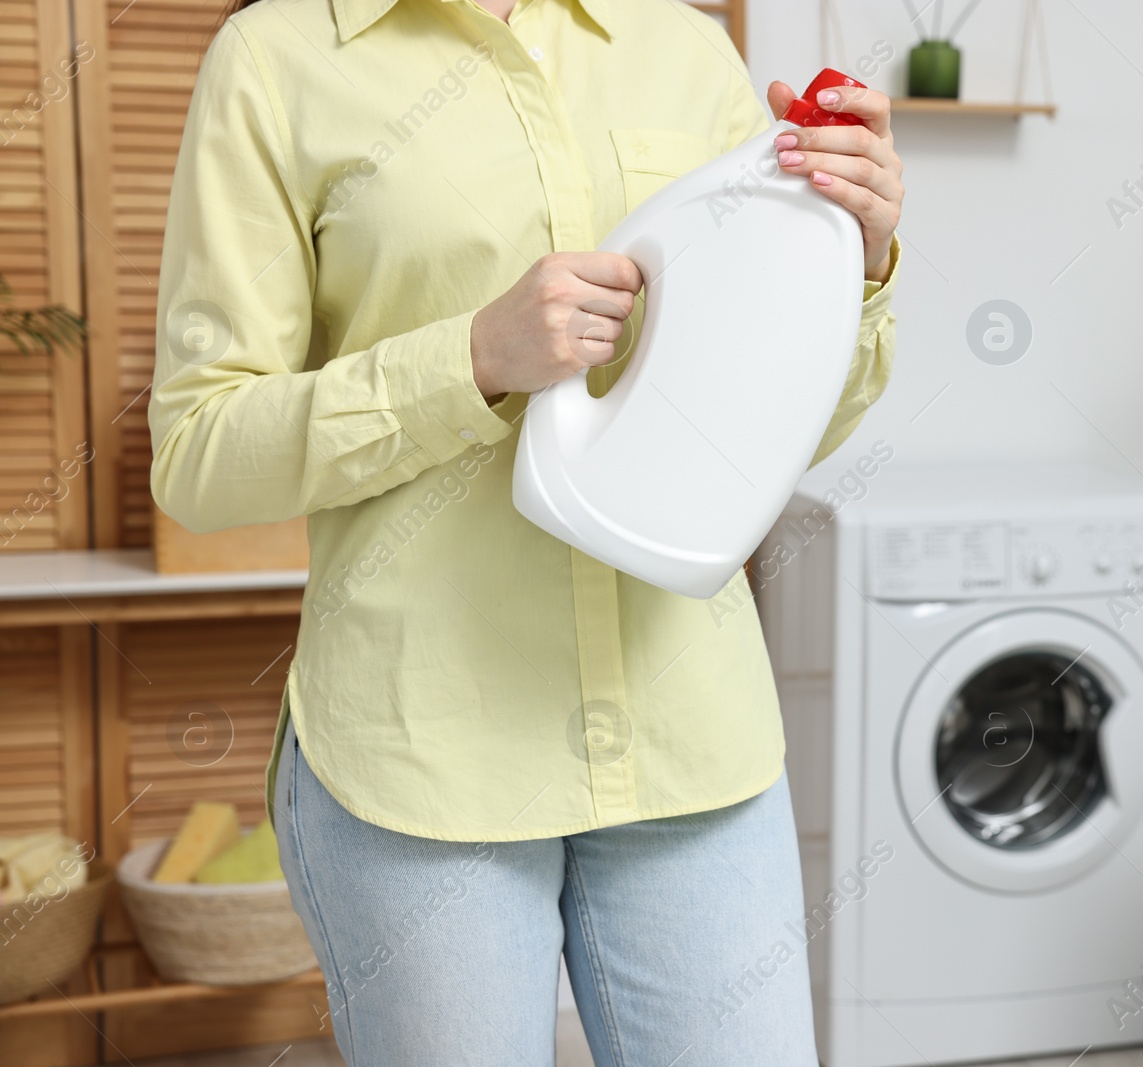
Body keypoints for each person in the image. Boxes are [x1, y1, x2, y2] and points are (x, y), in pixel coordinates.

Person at [147, 0, 903, 1062]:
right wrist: (471, 358)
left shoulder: (684, 49)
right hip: (421, 762)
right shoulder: (276, 61)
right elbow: (199, 452)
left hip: (690, 744)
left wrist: (854, 265)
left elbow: (772, 421)